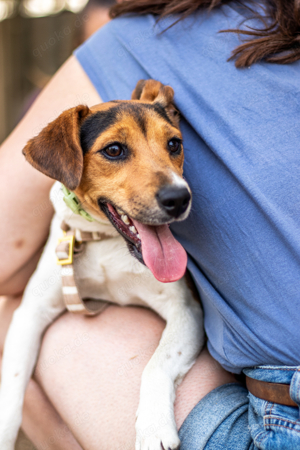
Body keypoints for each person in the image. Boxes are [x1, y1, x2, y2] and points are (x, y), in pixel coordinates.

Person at [0, 1, 299, 449]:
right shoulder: (133, 46)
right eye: (115, 152)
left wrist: (157, 384)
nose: (171, 182)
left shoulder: (137, 42)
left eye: (174, 146)